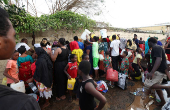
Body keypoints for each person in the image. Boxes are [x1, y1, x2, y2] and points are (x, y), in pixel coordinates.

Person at [0, 7, 40, 110]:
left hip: (22, 72)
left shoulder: (17, 60)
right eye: (14, 35)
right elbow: (31, 62)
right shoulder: (24, 104)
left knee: (24, 82)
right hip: (27, 72)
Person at [144, 37, 170, 106]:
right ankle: (163, 101)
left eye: (148, 43)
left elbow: (159, 60)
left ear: (150, 42)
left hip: (159, 70)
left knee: (147, 84)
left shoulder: (156, 48)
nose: (147, 44)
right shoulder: (158, 48)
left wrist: (152, 72)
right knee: (157, 88)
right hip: (161, 70)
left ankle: (167, 87)